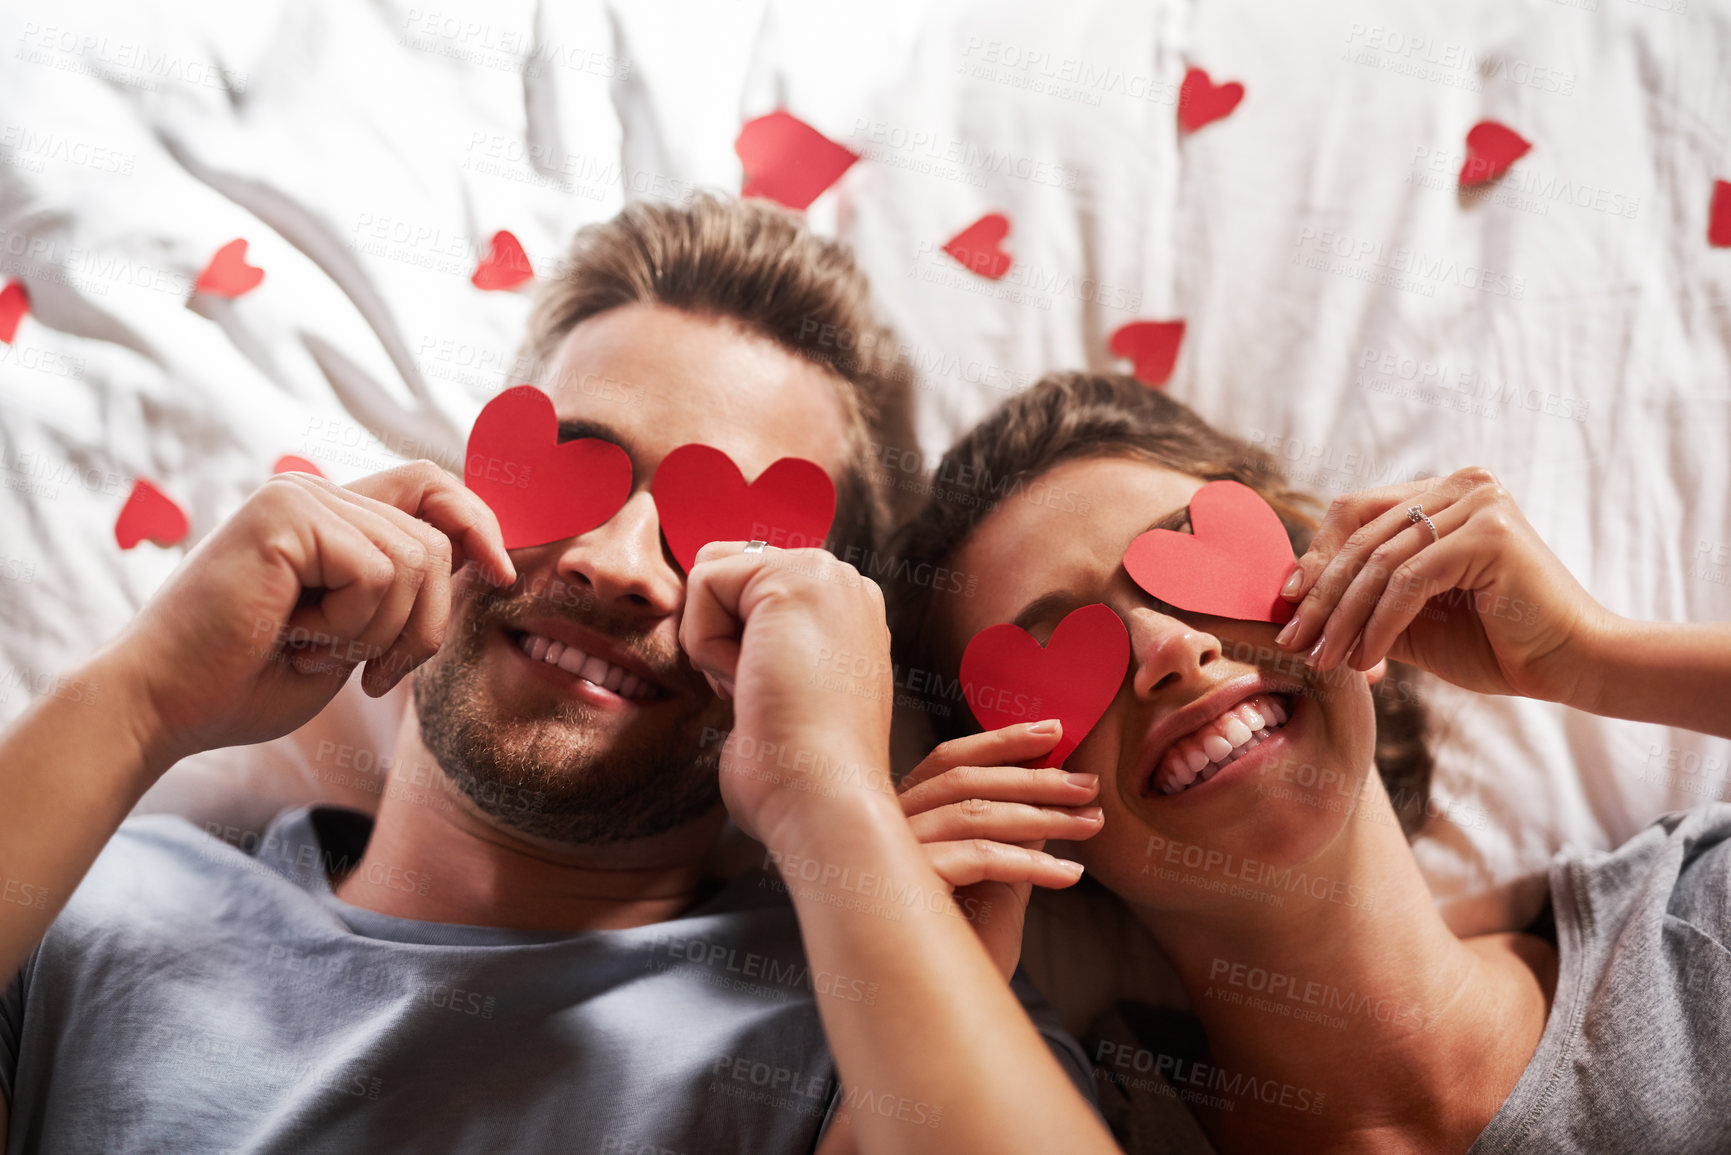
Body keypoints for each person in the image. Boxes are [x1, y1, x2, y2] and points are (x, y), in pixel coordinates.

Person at [0, 197, 1116, 1154]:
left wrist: (831, 798)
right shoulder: (90, 891)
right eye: (573, 471)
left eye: (715, 537)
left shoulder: (901, 1009)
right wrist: (141, 700)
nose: (617, 563)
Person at [886, 370, 1731, 1154]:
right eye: (1056, 651)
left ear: (1340, 578)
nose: (1171, 649)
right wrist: (923, 981)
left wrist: (1592, 658)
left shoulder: (1695, 926)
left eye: (1188, 559)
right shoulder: (1063, 1126)